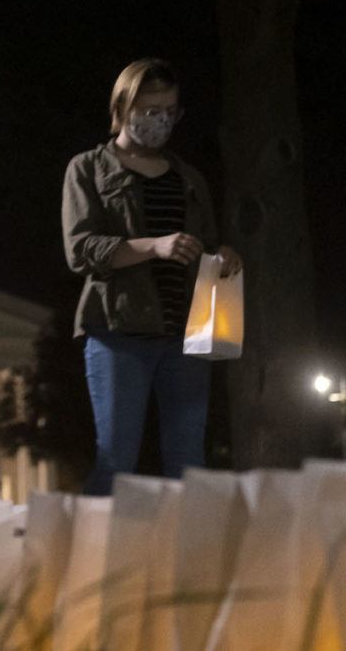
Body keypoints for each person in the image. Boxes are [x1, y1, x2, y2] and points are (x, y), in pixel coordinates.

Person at [61, 58, 243, 496]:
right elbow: (80, 250)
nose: (162, 121)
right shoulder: (87, 168)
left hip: (188, 335)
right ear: (123, 108)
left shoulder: (189, 177)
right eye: (150, 111)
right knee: (116, 462)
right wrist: (154, 245)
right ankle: (89, 558)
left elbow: (202, 244)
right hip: (119, 332)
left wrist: (222, 254)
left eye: (170, 112)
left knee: (189, 465)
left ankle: (184, 562)